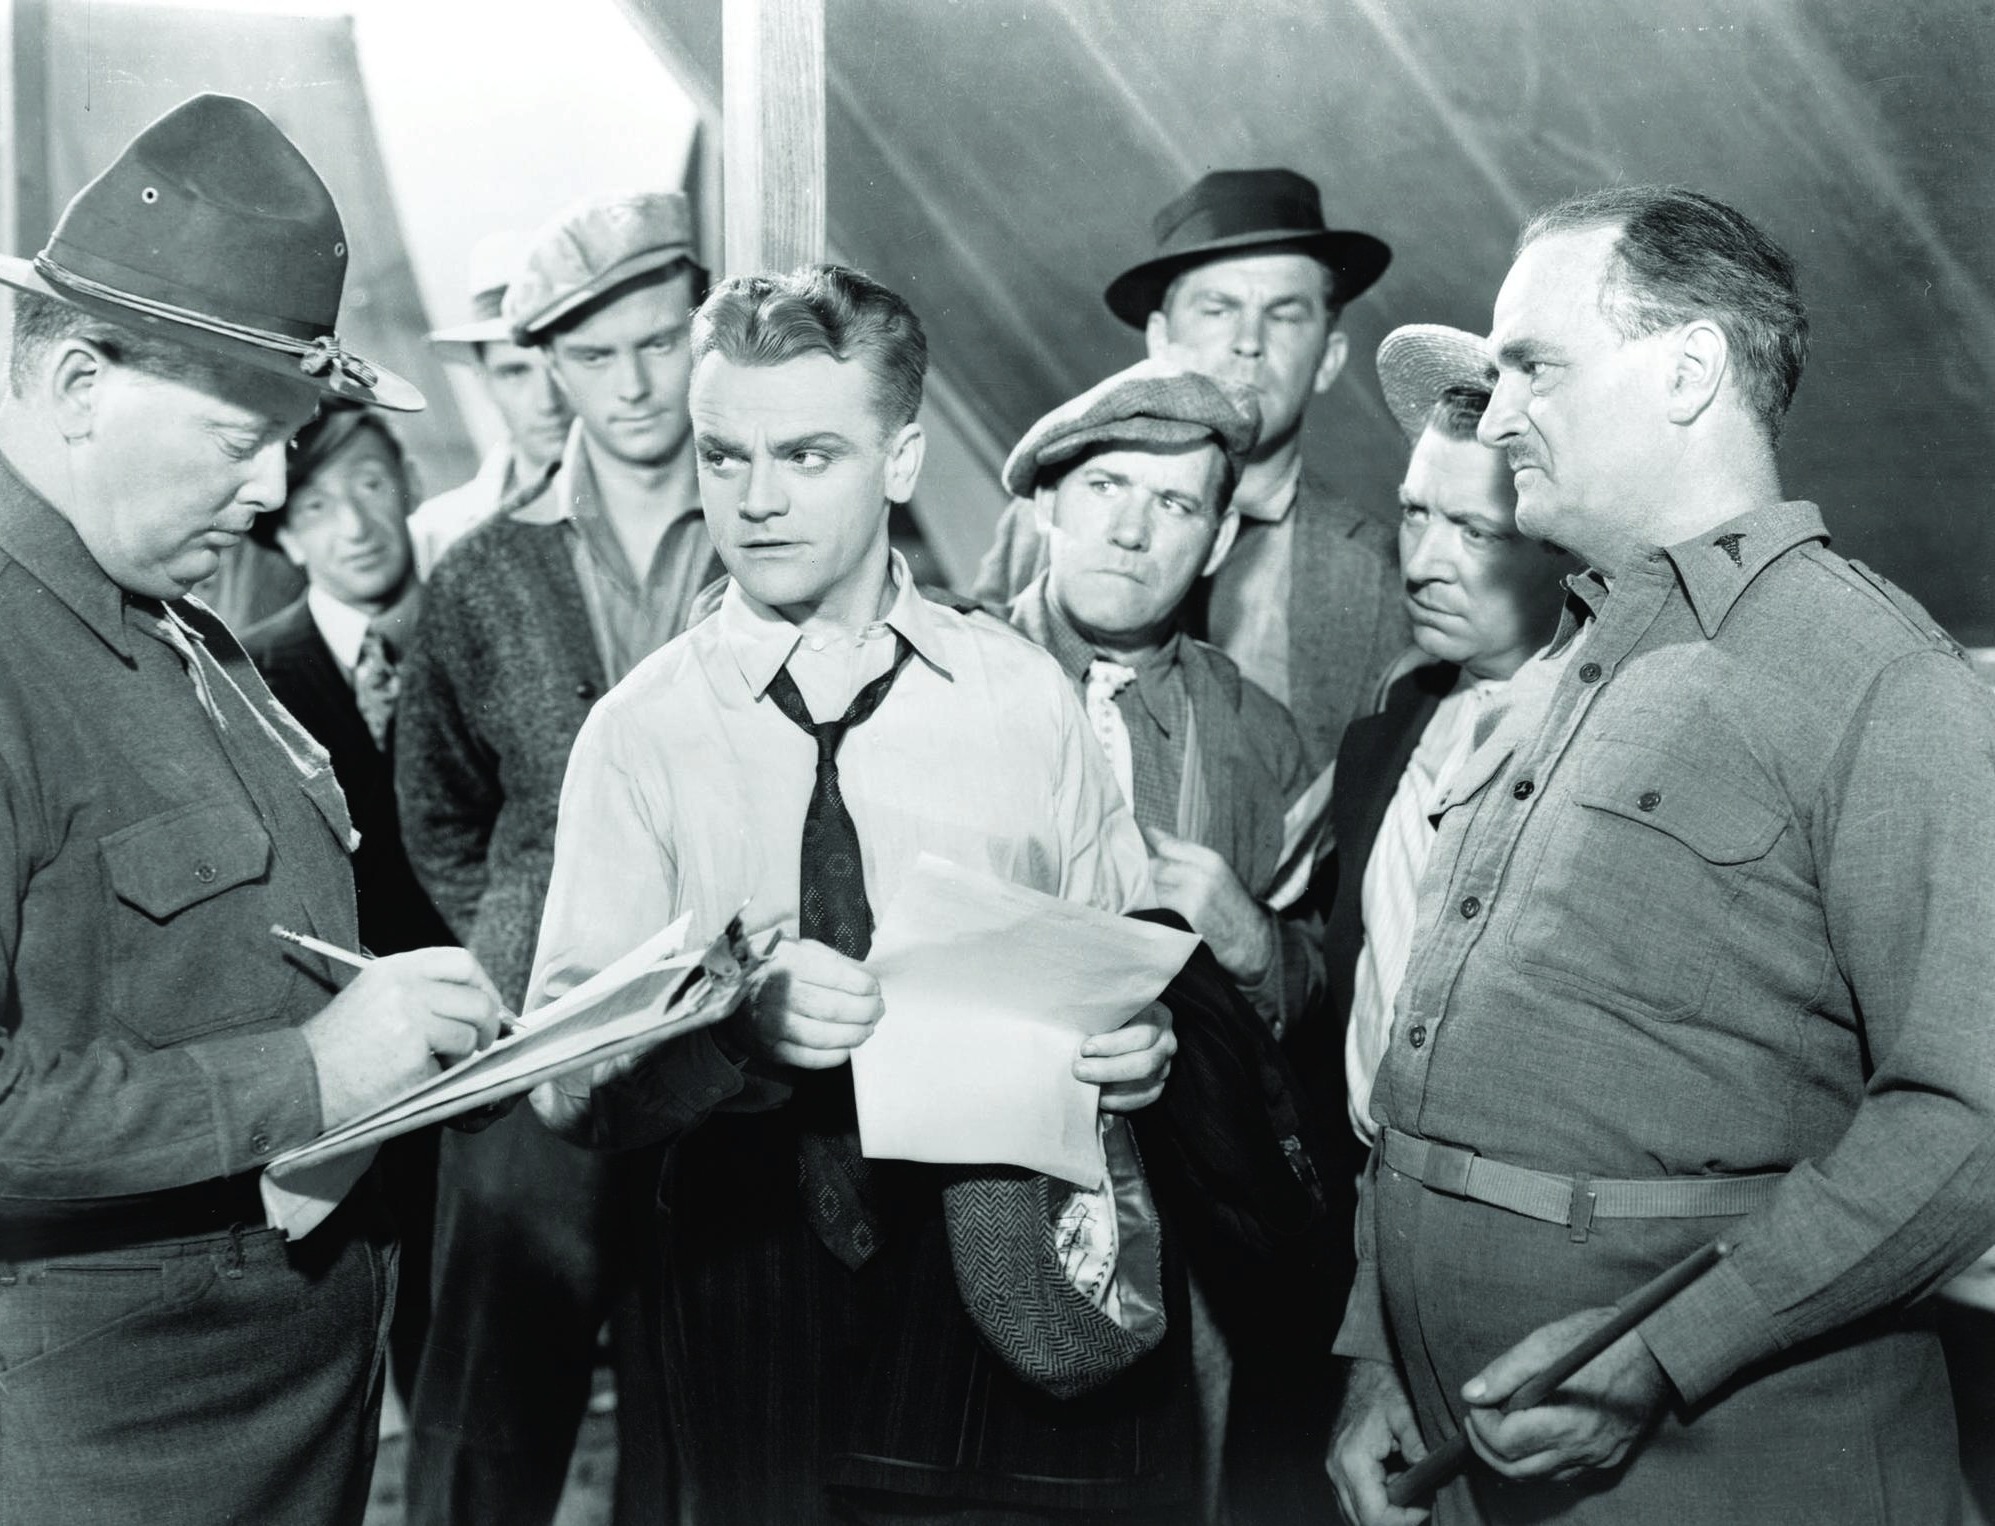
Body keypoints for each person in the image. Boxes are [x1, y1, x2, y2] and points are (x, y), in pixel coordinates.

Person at [1327, 186, 1995, 1526]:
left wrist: (1651, 1355)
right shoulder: (1576, 654)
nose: (1496, 411)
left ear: (1686, 367)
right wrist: (1375, 1356)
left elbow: (1963, 1123)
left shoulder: (1876, 679)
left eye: (1534, 365)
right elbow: (1437, 1067)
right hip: (1466, 1458)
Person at [525, 264, 1187, 1525]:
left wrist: (1137, 1047)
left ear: (901, 459)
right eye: (725, 457)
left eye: (810, 454)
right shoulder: (639, 732)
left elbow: (1121, 965)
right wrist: (729, 1032)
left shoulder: (1021, 696)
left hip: (995, 1247)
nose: (757, 500)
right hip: (742, 1260)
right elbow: (564, 1087)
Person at [0, 93, 506, 1526]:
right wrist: (315, 1075)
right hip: (106, 1449)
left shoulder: (181, 624)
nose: (277, 485)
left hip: (279, 1411)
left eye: (292, 437)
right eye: (243, 434)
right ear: (80, 382)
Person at [395, 188, 714, 1526]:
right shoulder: (479, 576)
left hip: (727, 1057)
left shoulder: (781, 535)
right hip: (528, 1057)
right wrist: (529, 937)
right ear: (546, 366)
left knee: (707, 1424)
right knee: (484, 1433)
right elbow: (439, 811)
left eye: (661, 340)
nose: (636, 382)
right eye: (593, 354)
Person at [972, 167, 1408, 767]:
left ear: (1330, 357)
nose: (1247, 341)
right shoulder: (1043, 518)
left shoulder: (1383, 573)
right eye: (1217, 308)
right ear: (1160, 340)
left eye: (1283, 315)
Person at [240, 400, 457, 1413]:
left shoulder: (478, 624)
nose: (355, 525)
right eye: (316, 504)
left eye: (370, 484)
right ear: (281, 529)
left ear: (410, 480)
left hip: (505, 1035)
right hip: (354, 1063)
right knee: (396, 1343)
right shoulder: (249, 673)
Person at [409, 231, 572, 577]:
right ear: (484, 379)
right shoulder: (436, 536)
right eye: (515, 372)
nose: (548, 401)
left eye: (559, 368)